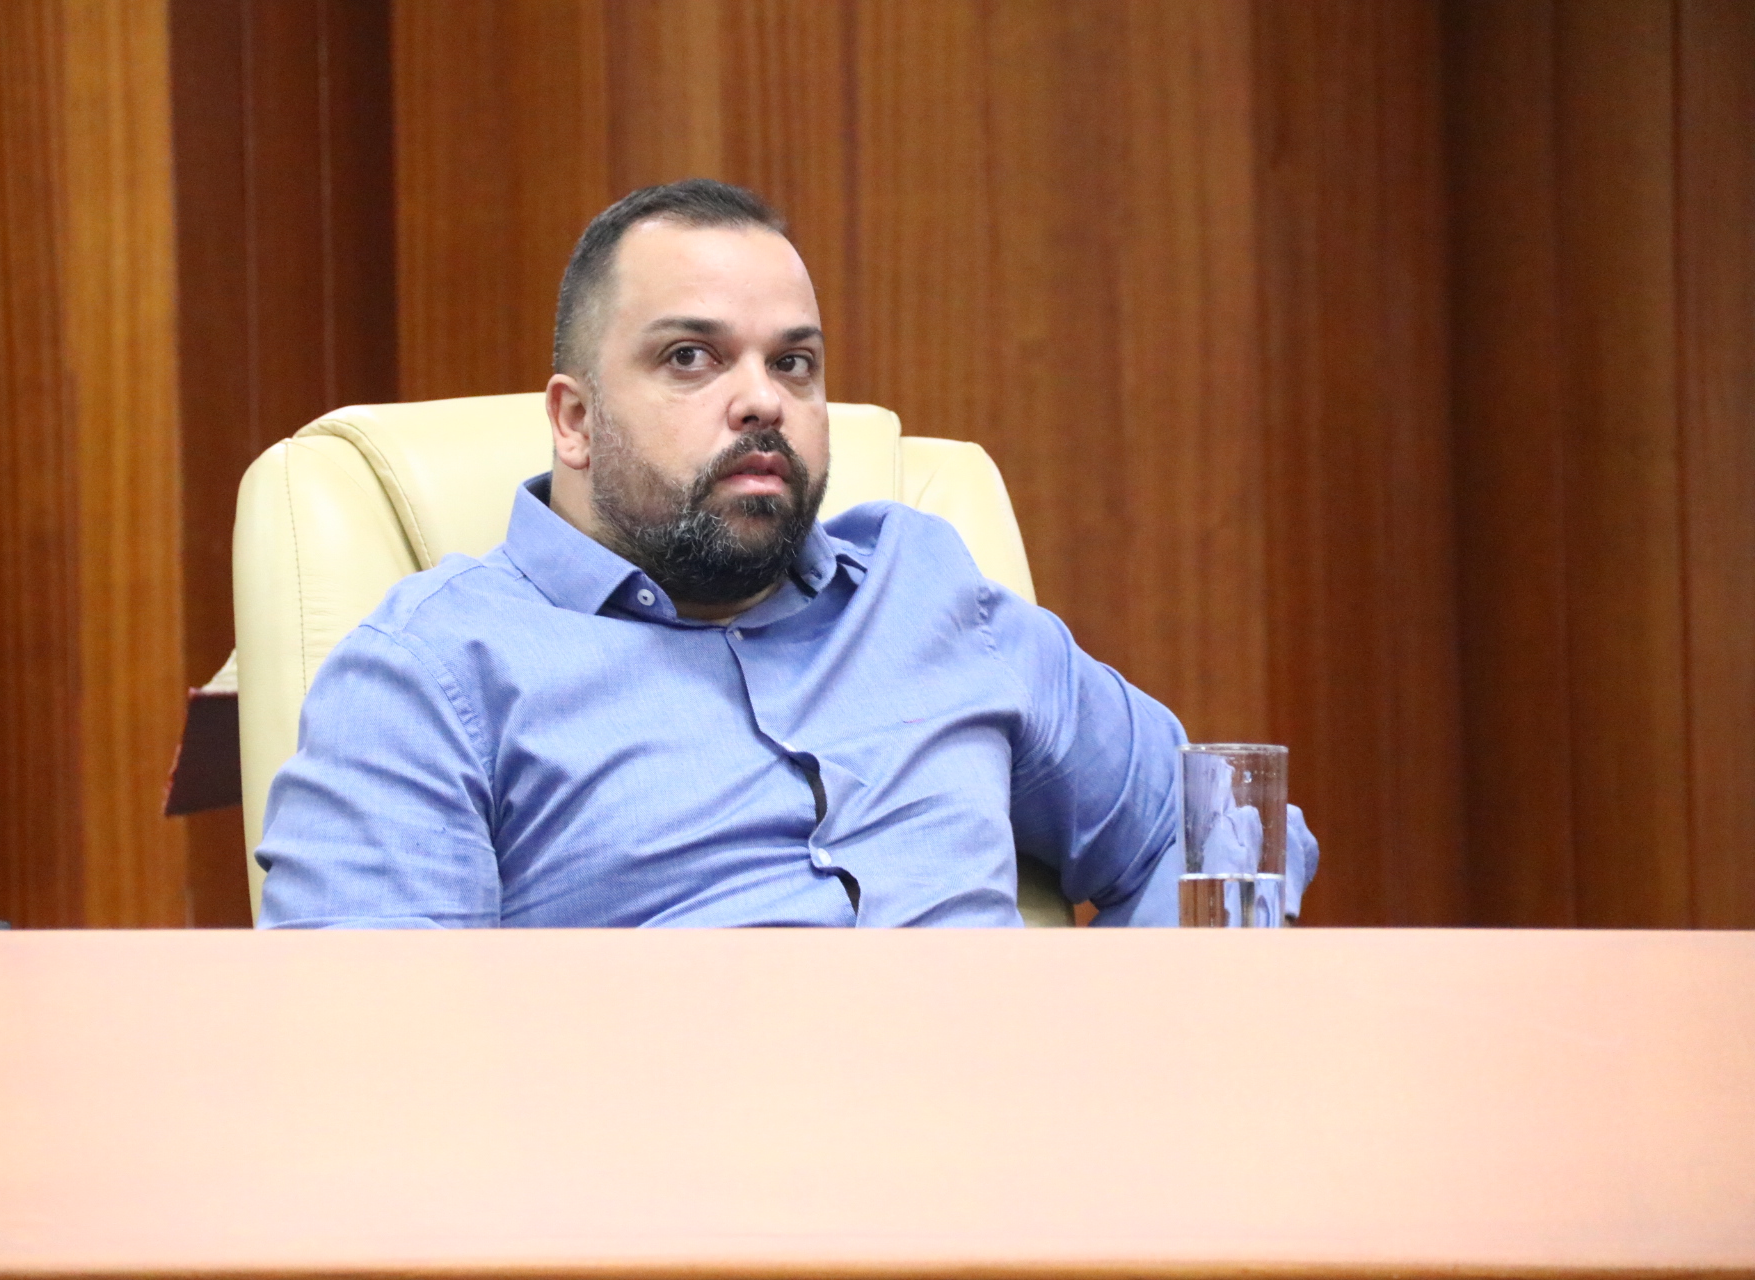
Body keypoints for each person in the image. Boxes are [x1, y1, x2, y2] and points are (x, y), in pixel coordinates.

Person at [256, 179, 1318, 928]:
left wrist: (1128, 1048)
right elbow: (378, 1057)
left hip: (1008, 1151)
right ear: (574, 421)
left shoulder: (927, 591)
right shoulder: (429, 676)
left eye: (795, 363)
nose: (762, 398)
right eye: (691, 357)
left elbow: (1221, 828)